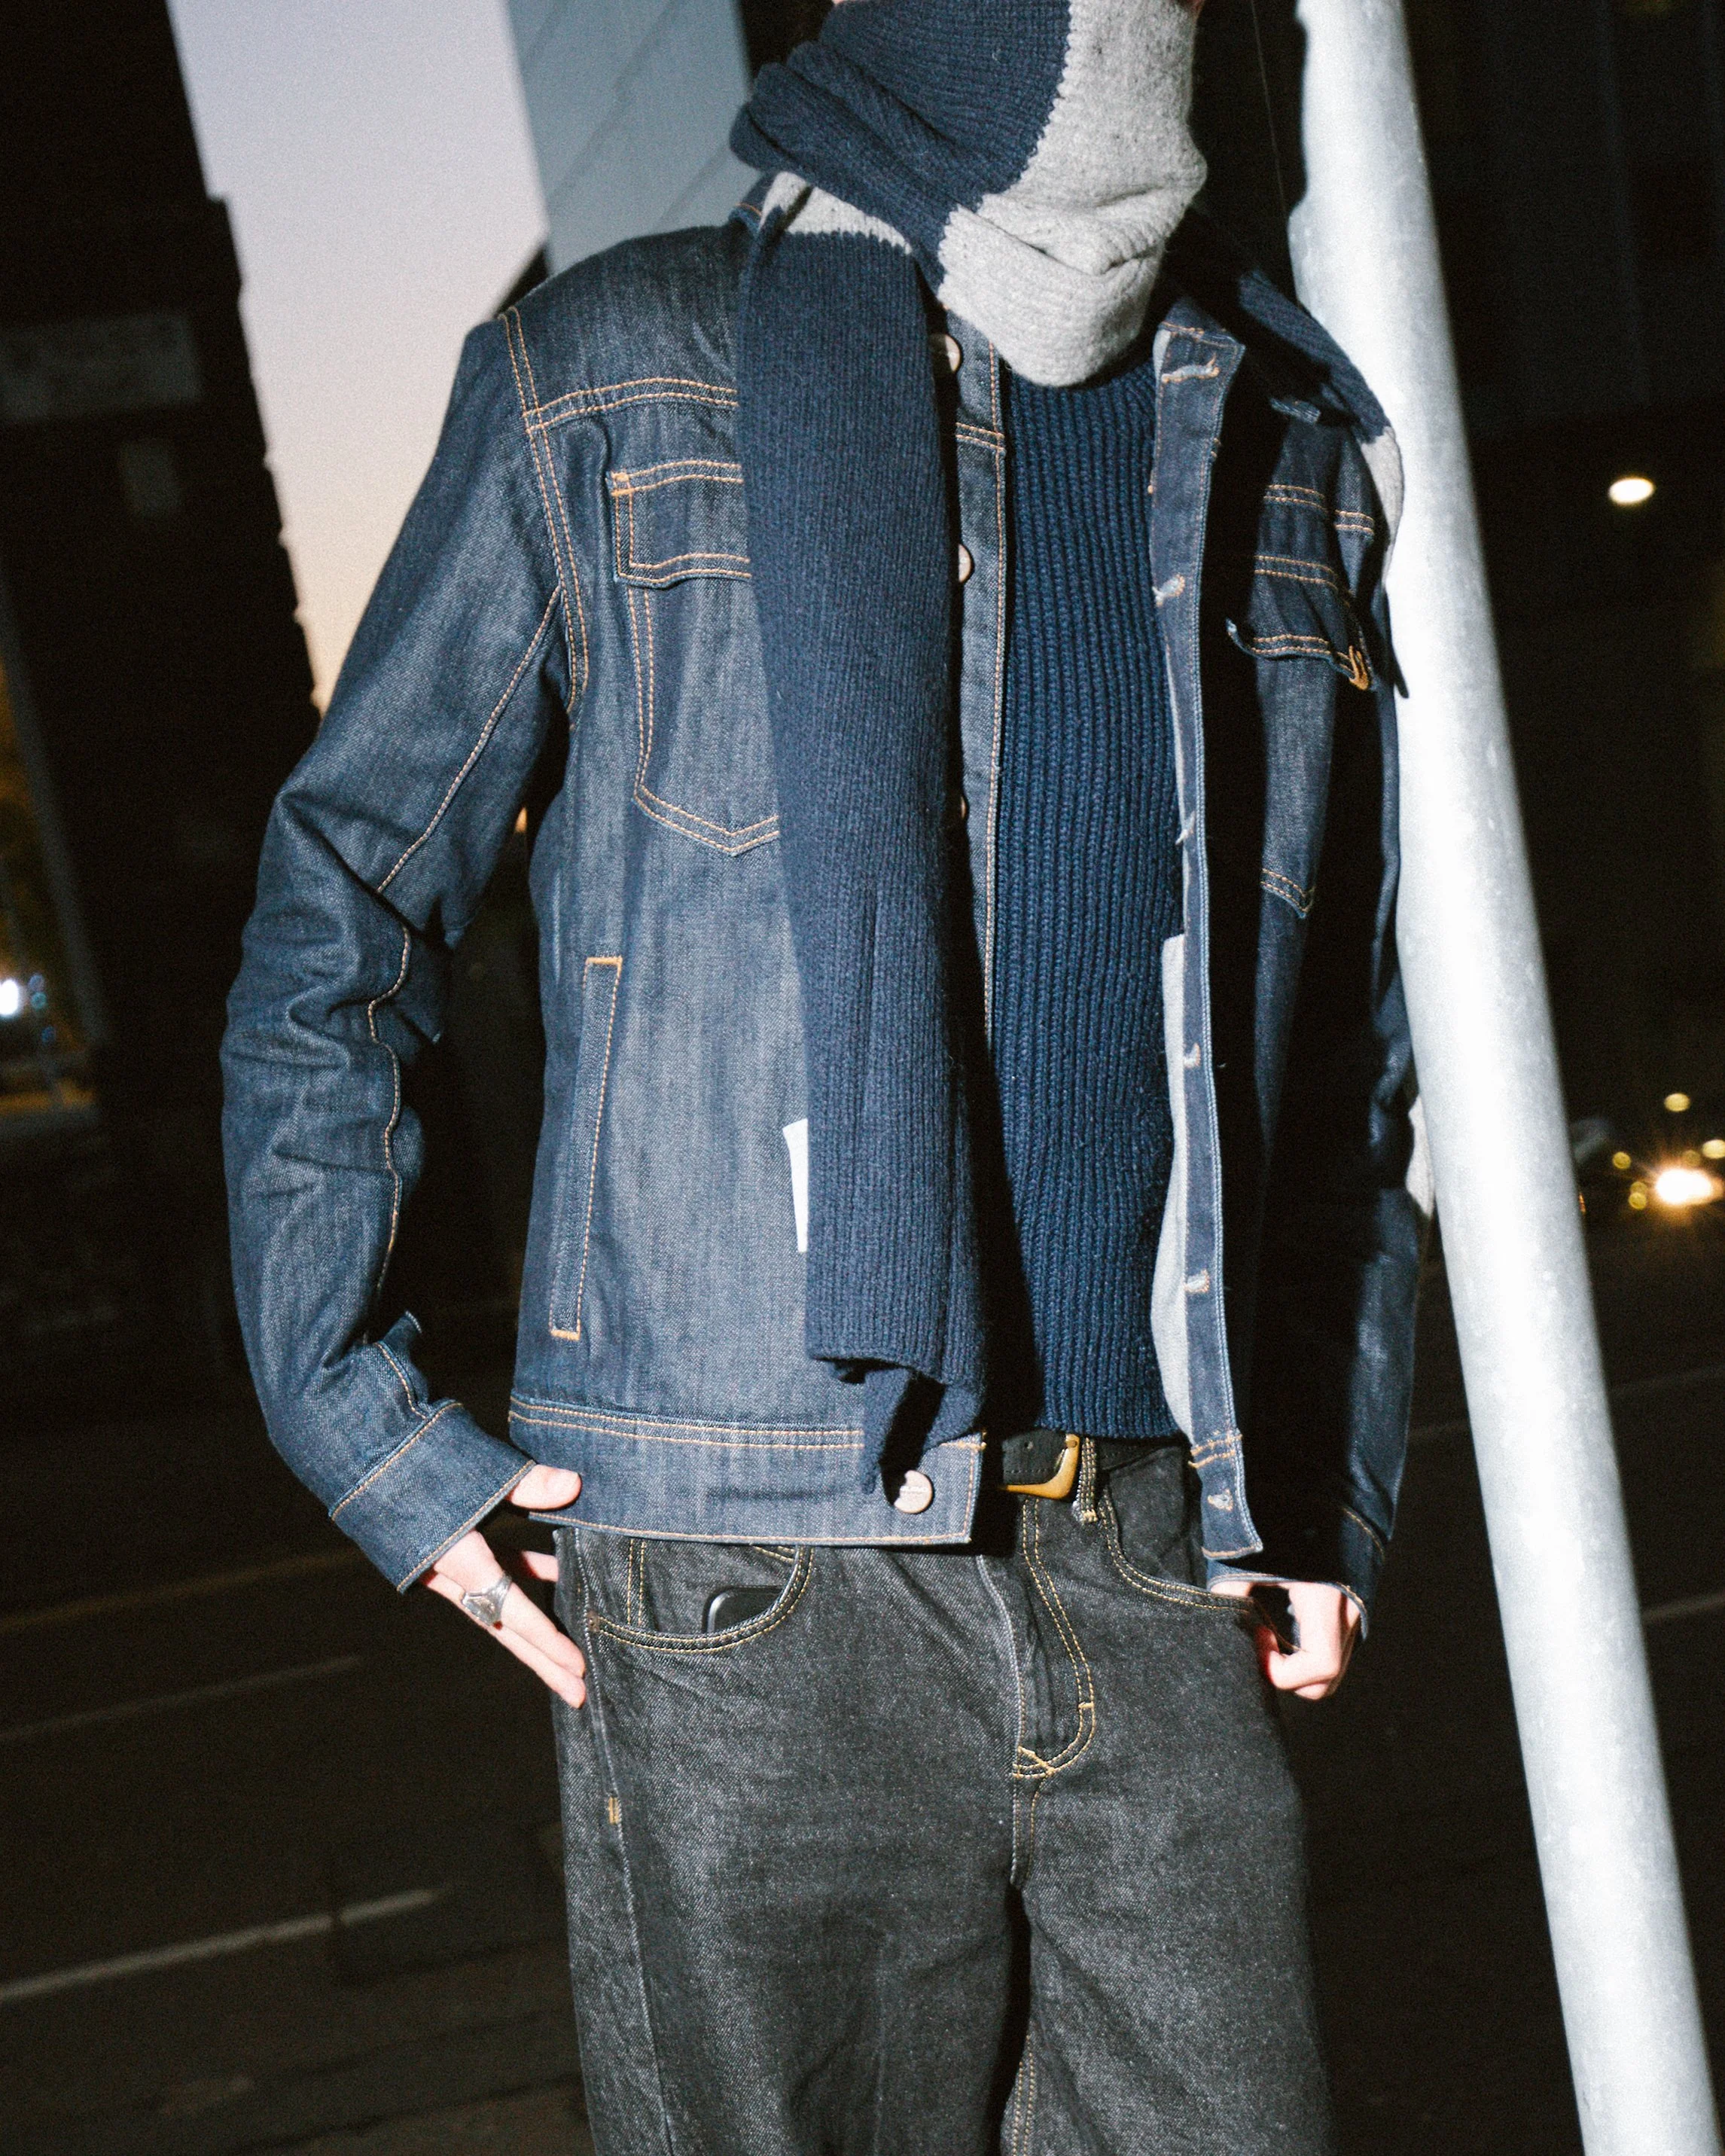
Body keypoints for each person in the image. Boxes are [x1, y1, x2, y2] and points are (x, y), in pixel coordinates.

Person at [223, 2, 1422, 2148]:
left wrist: (1321, 1460)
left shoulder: (1278, 440)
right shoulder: (618, 376)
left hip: (1151, 1544)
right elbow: (344, 891)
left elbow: (1339, 1039)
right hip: (756, 1578)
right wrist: (363, 1418)